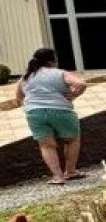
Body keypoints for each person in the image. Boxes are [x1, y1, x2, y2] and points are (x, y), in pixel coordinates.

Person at [14, 48, 88, 185]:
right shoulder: (60, 73)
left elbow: (18, 98)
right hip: (61, 110)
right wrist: (73, 95)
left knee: (46, 145)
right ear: (52, 61)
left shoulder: (25, 77)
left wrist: (31, 105)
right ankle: (70, 171)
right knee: (72, 140)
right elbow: (81, 84)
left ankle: (58, 177)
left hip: (34, 113)